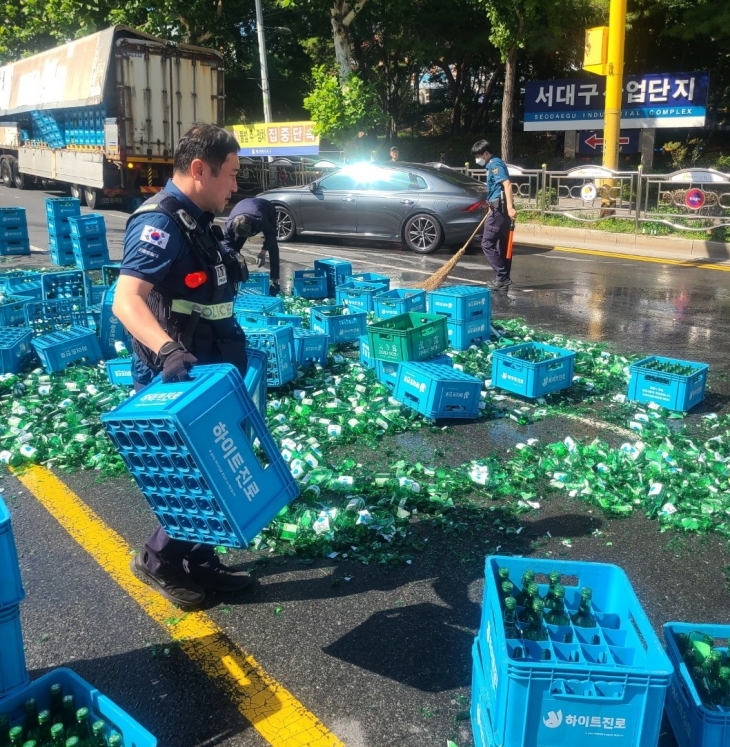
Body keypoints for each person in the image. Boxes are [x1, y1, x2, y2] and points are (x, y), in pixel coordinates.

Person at [113, 122, 253, 610]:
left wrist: (232, 246)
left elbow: (202, 283)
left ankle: (199, 560)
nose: (235, 187)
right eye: (231, 176)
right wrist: (167, 350)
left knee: (212, 470)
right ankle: (157, 560)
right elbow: (126, 300)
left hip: (208, 367)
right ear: (199, 169)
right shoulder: (159, 223)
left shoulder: (195, 218)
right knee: (191, 474)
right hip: (176, 372)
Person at [470, 139, 516, 290]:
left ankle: (502, 277)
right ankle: (504, 278)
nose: (477, 159)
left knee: (487, 243)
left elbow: (507, 184)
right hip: (499, 208)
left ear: (486, 153)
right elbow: (497, 188)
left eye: (478, 156)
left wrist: (509, 207)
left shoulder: (494, 164)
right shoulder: (493, 164)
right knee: (502, 245)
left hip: (501, 210)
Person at [223, 197, 281, 295]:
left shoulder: (261, 219)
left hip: (266, 209)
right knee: (234, 248)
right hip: (243, 208)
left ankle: (275, 281)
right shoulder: (230, 225)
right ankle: (233, 278)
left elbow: (271, 235)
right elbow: (226, 244)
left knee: (273, 246)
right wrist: (235, 254)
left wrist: (262, 253)